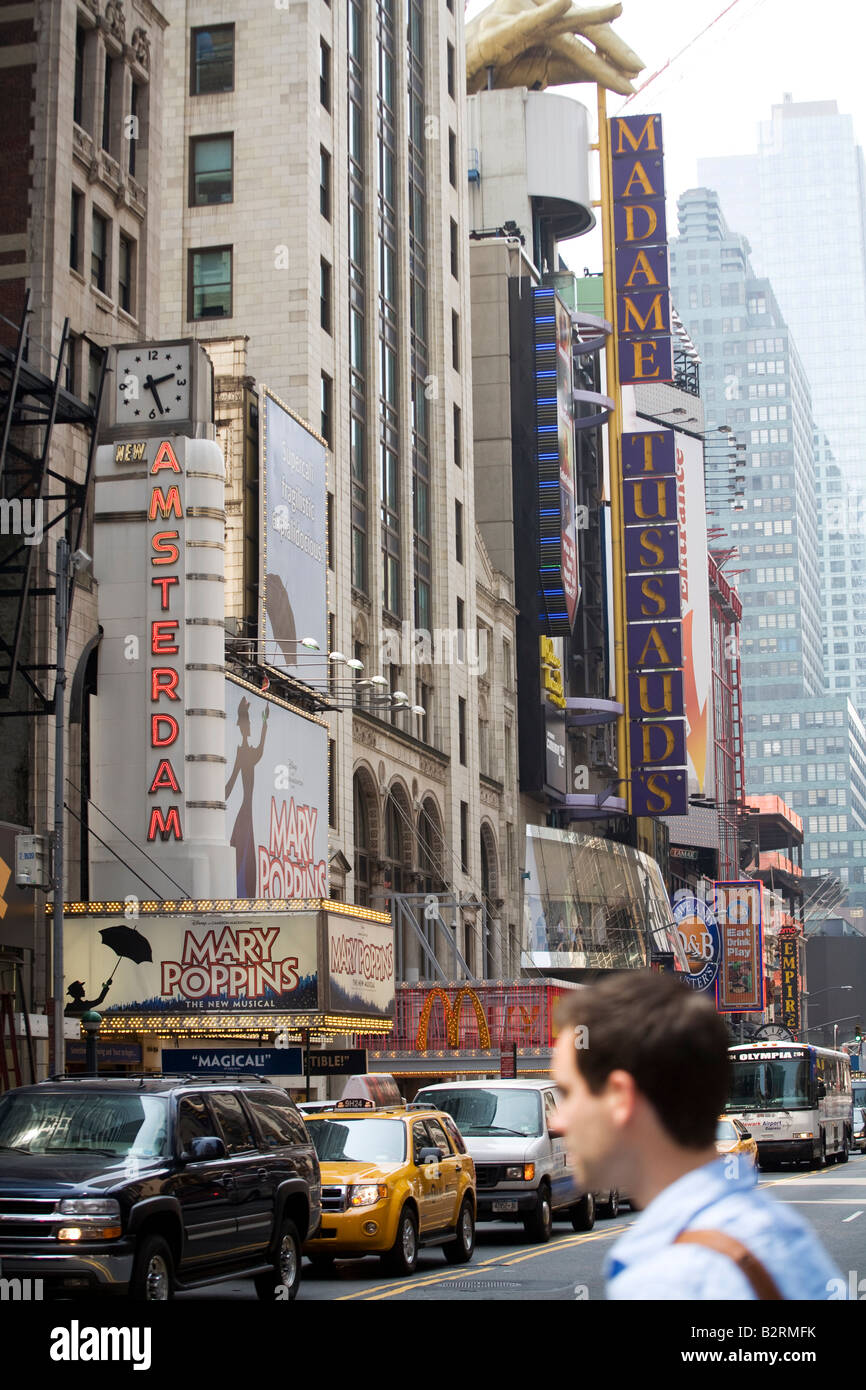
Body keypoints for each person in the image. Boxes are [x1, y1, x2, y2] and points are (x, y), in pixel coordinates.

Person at [550, 972, 843, 1299]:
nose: (557, 1121)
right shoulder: (777, 1231)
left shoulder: (674, 1276)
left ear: (620, 1098)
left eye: (568, 1092)